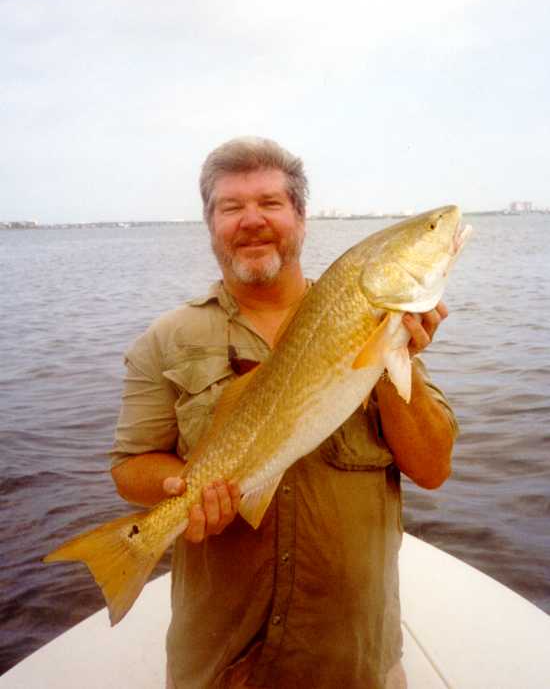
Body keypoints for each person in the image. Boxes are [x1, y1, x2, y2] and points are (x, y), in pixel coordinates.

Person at [110, 137, 458, 689]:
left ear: (300, 217)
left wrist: (395, 355)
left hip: (354, 655)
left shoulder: (364, 312)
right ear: (210, 223)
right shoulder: (166, 340)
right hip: (221, 663)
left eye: (271, 203)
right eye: (232, 206)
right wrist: (184, 491)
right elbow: (130, 467)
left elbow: (434, 469)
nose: (252, 220)